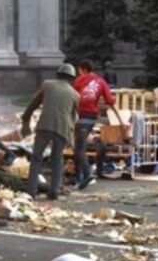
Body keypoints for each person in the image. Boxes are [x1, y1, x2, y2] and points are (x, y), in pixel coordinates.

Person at [20, 63, 79, 200]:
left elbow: (33, 104)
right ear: (72, 78)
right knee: (57, 159)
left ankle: (31, 191)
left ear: (58, 75)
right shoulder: (75, 94)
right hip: (62, 129)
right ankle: (54, 191)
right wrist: (70, 134)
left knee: (36, 158)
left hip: (45, 125)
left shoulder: (47, 85)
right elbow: (74, 118)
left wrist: (25, 121)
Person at [72, 60, 124, 189]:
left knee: (79, 148)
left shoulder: (78, 81)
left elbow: (72, 98)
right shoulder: (101, 81)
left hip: (81, 117)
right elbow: (110, 101)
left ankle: (87, 174)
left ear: (83, 69)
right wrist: (121, 120)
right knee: (79, 145)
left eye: (79, 71)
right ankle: (77, 177)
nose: (79, 73)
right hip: (91, 118)